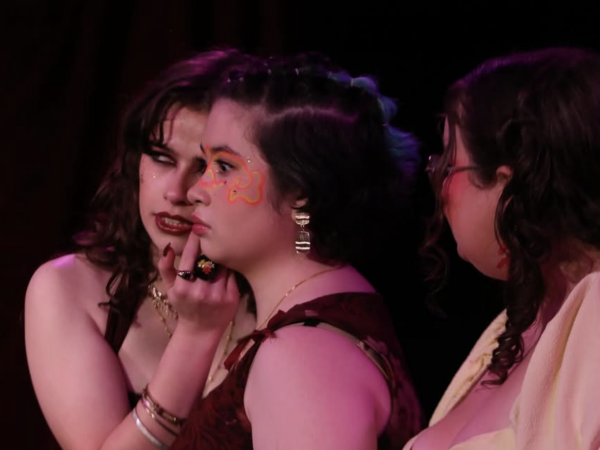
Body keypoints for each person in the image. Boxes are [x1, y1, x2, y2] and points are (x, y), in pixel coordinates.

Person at [153, 52, 424, 450]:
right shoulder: (322, 310)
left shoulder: (302, 356)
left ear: (299, 191)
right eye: (206, 164)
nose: (195, 190)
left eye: (224, 167)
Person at [24, 48, 256, 450]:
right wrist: (196, 334)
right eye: (162, 158)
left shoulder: (282, 287)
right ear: (135, 163)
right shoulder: (65, 287)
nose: (176, 192)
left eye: (206, 167)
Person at [405, 46, 600, 449]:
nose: (440, 186)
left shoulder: (594, 316)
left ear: (508, 186)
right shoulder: (515, 327)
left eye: (450, 165)